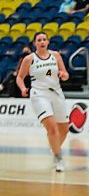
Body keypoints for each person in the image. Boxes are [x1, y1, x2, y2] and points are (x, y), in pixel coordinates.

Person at [16, 32, 70, 172]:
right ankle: (58, 159)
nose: (42, 42)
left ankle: (54, 149)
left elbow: (65, 74)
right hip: (39, 94)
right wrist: (22, 88)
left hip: (57, 93)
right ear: (35, 43)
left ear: (48, 42)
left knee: (64, 129)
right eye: (39, 40)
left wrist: (63, 75)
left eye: (44, 39)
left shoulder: (56, 55)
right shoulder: (29, 59)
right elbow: (20, 77)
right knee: (52, 128)